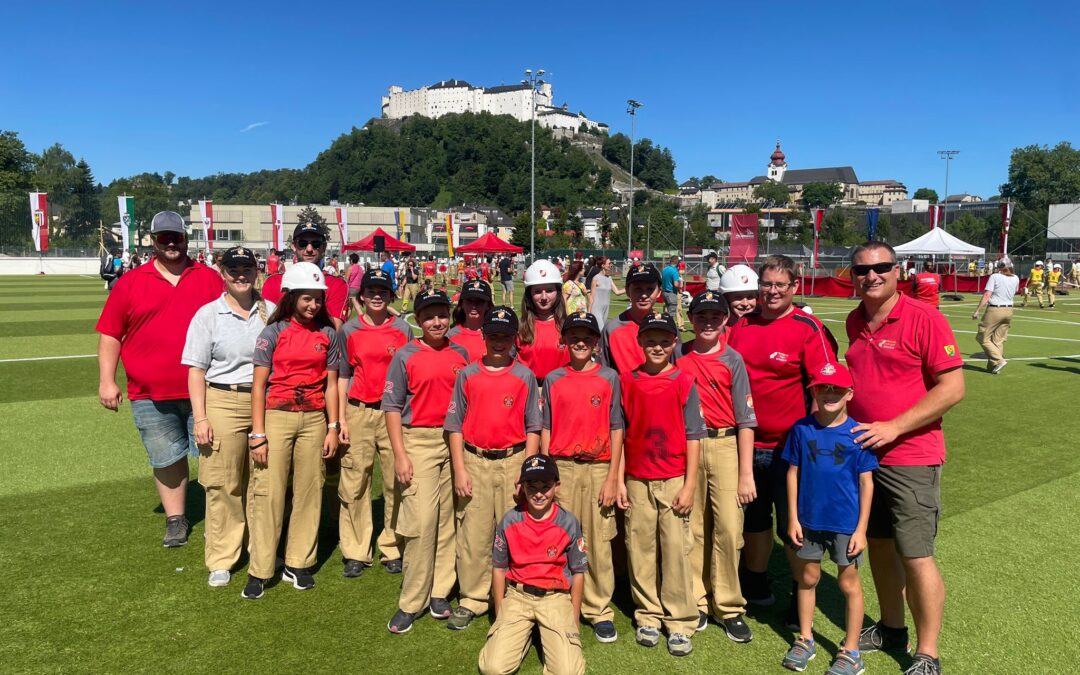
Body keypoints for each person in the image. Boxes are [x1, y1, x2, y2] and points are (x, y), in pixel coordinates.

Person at [845, 242, 965, 675]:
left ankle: (927, 652)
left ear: (898, 271)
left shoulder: (924, 318)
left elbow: (952, 388)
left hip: (911, 456)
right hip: (864, 456)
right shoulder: (854, 319)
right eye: (862, 270)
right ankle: (892, 628)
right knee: (877, 545)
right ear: (852, 275)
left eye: (881, 268)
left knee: (916, 553)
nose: (871, 276)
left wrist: (894, 427)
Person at [96, 211, 224, 548]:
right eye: (163, 237)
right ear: (152, 241)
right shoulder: (130, 282)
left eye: (176, 237)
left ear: (186, 238)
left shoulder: (210, 279)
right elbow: (111, 335)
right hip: (150, 393)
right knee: (166, 459)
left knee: (216, 457)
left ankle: (223, 516)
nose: (170, 243)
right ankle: (176, 520)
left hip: (208, 390)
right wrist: (107, 380)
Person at [727, 254, 837, 621]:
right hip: (745, 446)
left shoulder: (808, 328)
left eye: (780, 285)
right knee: (754, 521)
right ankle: (756, 582)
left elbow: (826, 387)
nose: (772, 292)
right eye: (767, 285)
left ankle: (800, 591)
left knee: (794, 524)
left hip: (790, 449)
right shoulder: (742, 325)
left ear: (794, 287)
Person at [243, 262, 342, 599]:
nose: (313, 305)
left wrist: (333, 426)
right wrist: (258, 434)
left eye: (317, 299)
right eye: (306, 298)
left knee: (309, 491)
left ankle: (298, 562)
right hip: (277, 416)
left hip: (314, 419)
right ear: (291, 296)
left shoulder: (328, 334)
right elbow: (258, 387)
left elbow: (331, 387)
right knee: (269, 493)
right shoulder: (272, 333)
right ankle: (260, 568)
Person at [182, 246, 274, 587]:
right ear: (222, 273)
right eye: (233, 269)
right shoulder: (208, 314)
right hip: (222, 398)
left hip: (264, 400)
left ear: (256, 271)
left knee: (263, 480)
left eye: (246, 268)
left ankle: (261, 550)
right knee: (224, 482)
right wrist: (201, 418)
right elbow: (196, 370)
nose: (240, 275)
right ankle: (222, 557)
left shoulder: (272, 312)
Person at [446, 307, 542, 631]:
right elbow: (455, 425)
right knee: (474, 534)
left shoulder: (524, 375)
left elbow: (534, 427)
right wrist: (459, 469)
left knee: (514, 532)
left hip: (513, 460)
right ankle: (472, 598)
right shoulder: (468, 374)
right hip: (475, 460)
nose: (499, 342)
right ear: (483, 337)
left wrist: (527, 470)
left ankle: (513, 594)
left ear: (514, 338)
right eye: (493, 335)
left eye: (505, 335)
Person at [781, 362, 878, 675]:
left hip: (845, 525)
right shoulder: (801, 429)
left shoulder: (858, 434)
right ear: (813, 391)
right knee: (807, 579)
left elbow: (867, 484)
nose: (830, 392)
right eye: (823, 387)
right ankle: (805, 638)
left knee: (848, 583)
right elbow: (793, 474)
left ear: (850, 393)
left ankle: (851, 651)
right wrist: (794, 517)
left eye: (837, 387)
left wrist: (861, 529)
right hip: (809, 521)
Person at [384, 289, 471, 634]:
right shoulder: (405, 355)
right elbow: (391, 406)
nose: (437, 321)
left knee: (449, 519)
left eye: (442, 315)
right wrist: (400, 454)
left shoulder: (460, 353)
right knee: (420, 521)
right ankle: (412, 600)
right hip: (417, 439)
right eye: (429, 316)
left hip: (454, 440)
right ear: (418, 320)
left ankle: (439, 591)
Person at [620, 311, 705, 656]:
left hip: (673, 479)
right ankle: (648, 615)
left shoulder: (684, 381)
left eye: (664, 341)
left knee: (675, 551)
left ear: (674, 343)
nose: (657, 347)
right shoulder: (627, 380)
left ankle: (680, 620)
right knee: (640, 550)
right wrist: (622, 479)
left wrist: (689, 485)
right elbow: (620, 433)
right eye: (650, 341)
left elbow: (695, 436)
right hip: (638, 478)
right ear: (640, 342)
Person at [677, 291, 758, 642]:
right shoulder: (678, 353)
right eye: (701, 315)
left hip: (725, 444)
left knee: (728, 527)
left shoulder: (733, 359)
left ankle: (728, 604)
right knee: (692, 526)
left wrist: (745, 473)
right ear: (690, 319)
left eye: (715, 316)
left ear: (726, 320)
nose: (708, 321)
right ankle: (696, 599)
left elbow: (746, 420)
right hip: (688, 445)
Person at [542, 310, 624, 643]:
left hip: (597, 466)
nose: (580, 342)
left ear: (595, 342)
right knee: (561, 537)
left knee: (598, 541)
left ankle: (598, 607)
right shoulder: (553, 378)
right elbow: (546, 426)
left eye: (586, 337)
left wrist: (612, 477)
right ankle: (561, 599)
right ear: (564, 340)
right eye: (573, 336)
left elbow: (617, 427)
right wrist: (546, 471)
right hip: (562, 466)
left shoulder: (609, 378)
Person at [478, 455, 587, 675]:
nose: (538, 493)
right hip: (518, 597)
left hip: (555, 597)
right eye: (531, 486)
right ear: (522, 486)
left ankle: (547, 633)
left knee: (568, 672)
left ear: (556, 486)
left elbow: (578, 573)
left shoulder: (569, 522)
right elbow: (499, 569)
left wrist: (574, 619)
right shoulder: (509, 521)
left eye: (545, 486)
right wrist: (500, 613)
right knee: (493, 668)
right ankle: (523, 634)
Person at [337, 269, 414, 578]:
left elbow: (410, 375)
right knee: (355, 480)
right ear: (363, 296)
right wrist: (340, 418)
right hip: (358, 410)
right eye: (371, 291)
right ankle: (356, 550)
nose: (377, 296)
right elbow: (342, 374)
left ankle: (392, 544)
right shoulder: (350, 330)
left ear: (391, 295)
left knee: (397, 481)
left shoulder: (403, 330)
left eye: (383, 291)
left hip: (392, 413)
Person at [262, 223, 349, 328]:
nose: (309, 249)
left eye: (316, 244)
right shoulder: (273, 282)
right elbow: (266, 325)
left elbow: (334, 329)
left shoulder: (337, 285)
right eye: (302, 243)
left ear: (324, 247)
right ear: (293, 246)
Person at [599, 265, 662, 374]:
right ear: (628, 291)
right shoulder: (611, 329)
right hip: (626, 390)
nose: (644, 295)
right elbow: (603, 373)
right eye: (638, 289)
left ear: (659, 292)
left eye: (650, 289)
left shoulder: (667, 327)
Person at [517, 260, 570, 384]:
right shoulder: (518, 328)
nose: (544, 297)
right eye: (537, 291)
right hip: (528, 391)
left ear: (558, 292)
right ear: (529, 294)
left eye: (549, 290)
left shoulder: (570, 327)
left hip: (561, 390)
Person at [971, 258, 1019, 374]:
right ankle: (993, 366)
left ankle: (998, 360)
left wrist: (977, 310)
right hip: (1009, 310)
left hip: (995, 309)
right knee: (998, 340)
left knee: (982, 337)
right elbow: (1015, 291)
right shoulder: (1016, 278)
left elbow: (987, 294)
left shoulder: (995, 277)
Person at [448, 279, 494, 362]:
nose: (474, 306)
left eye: (479, 302)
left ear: (487, 305)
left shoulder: (497, 334)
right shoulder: (450, 336)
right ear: (462, 304)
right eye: (469, 301)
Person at [588, 256, 625, 326]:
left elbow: (617, 292)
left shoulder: (609, 278)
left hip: (606, 309)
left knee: (599, 332)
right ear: (603, 265)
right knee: (601, 330)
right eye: (609, 263)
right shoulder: (595, 278)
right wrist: (589, 312)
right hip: (596, 309)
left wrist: (630, 287)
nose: (611, 265)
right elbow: (591, 297)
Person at [661, 255, 685, 331]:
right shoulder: (674, 271)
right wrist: (679, 289)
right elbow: (675, 284)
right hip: (671, 293)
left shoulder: (665, 269)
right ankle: (669, 328)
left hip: (664, 292)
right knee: (671, 313)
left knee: (666, 310)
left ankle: (664, 325)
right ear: (676, 262)